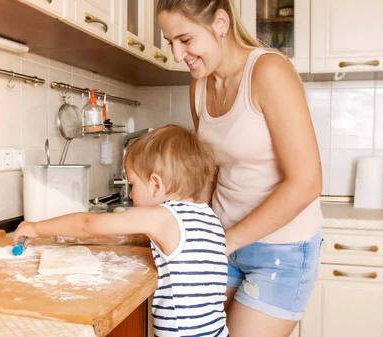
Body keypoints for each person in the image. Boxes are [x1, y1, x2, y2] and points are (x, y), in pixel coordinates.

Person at [157, 1, 324, 337]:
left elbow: (306, 183)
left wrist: (223, 242)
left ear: (220, 22)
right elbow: (211, 172)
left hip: (282, 248)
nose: (177, 55)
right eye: (169, 42)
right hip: (225, 240)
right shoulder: (199, 87)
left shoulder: (269, 72)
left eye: (185, 40)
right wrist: (192, 228)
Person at [14, 125, 230, 337]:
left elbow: (87, 224)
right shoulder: (209, 216)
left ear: (156, 184)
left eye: (133, 184)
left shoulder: (163, 217)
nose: (132, 194)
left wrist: (35, 227)